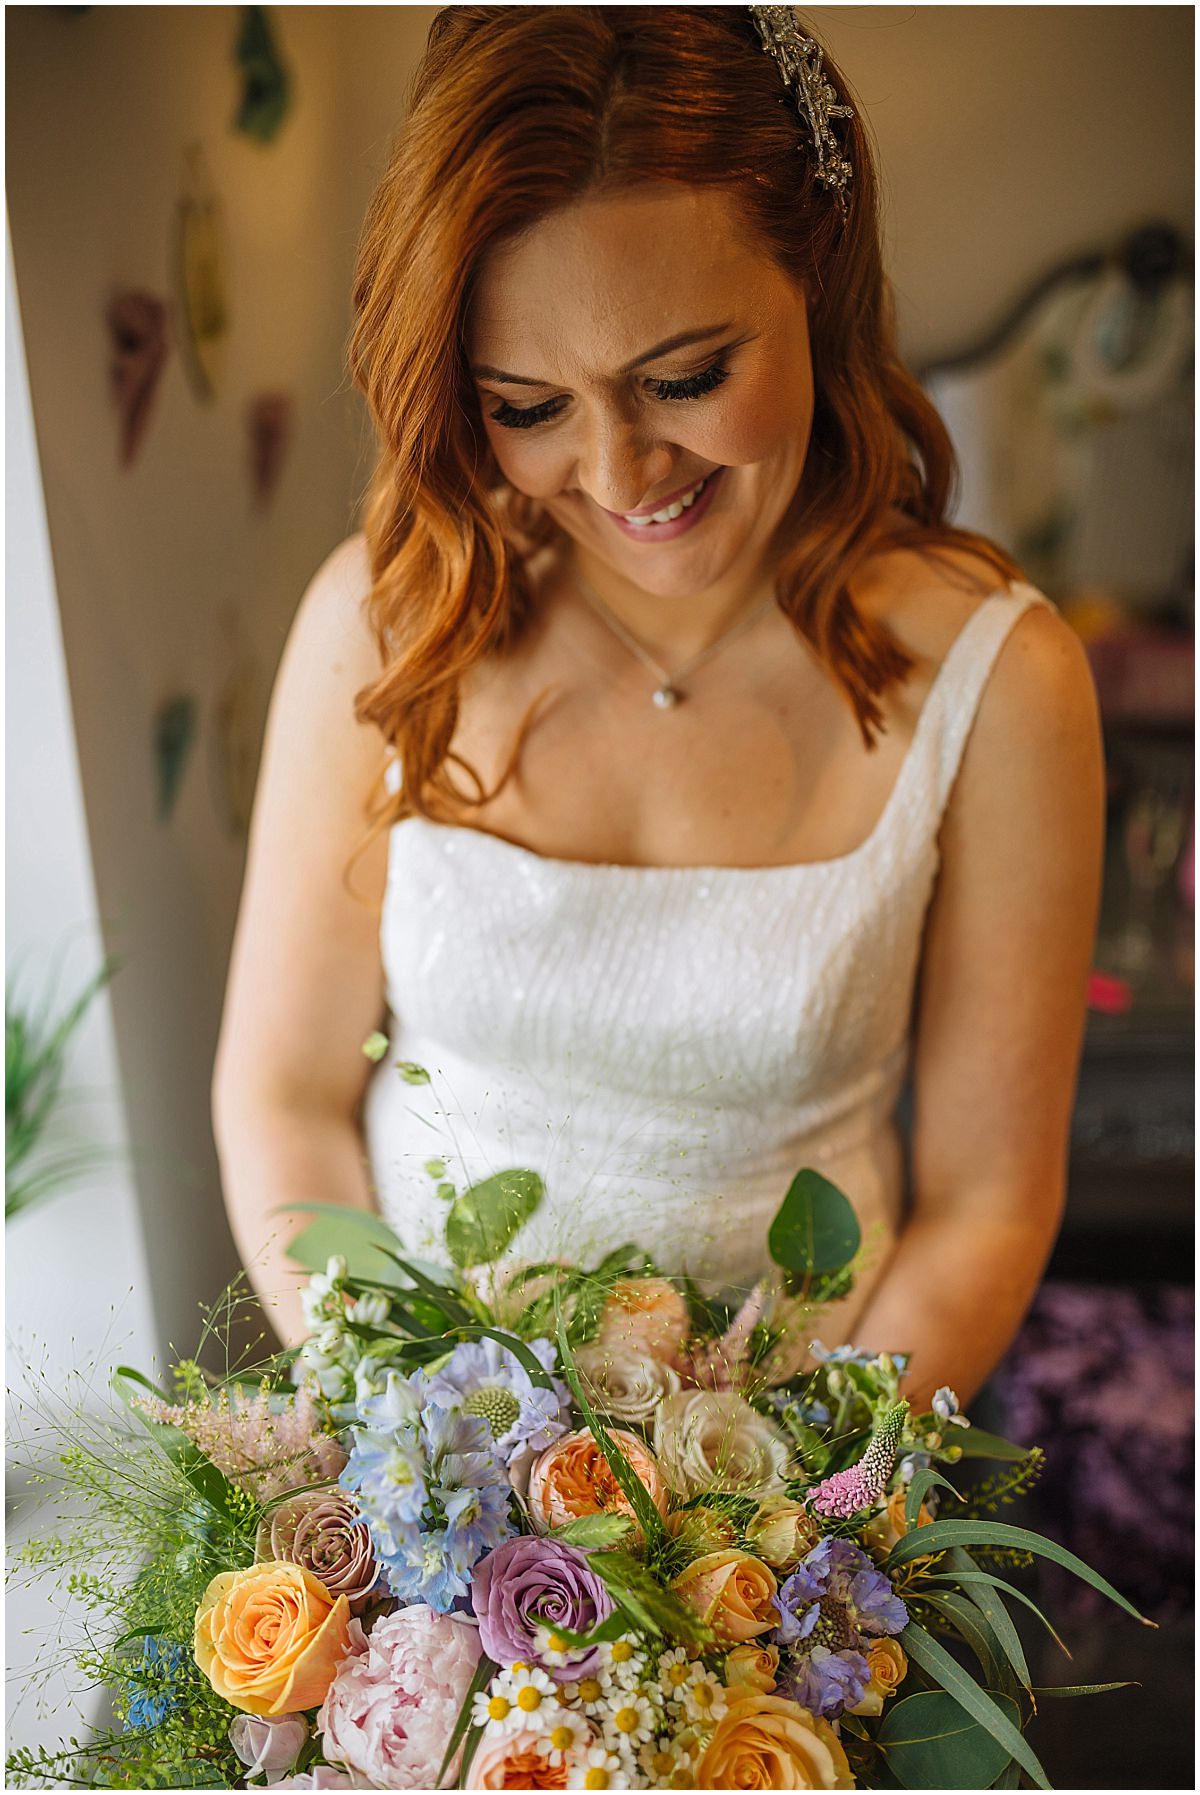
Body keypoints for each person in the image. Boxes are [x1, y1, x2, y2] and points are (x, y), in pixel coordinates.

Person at [212, 6, 1104, 1412]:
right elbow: (284, 1096)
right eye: (526, 405)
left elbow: (987, 1206)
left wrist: (771, 1536)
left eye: (685, 379)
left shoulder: (1002, 683)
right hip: (420, 1487)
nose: (622, 471)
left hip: (796, 1510)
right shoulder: (386, 620)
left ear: (820, 276)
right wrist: (414, 1457)